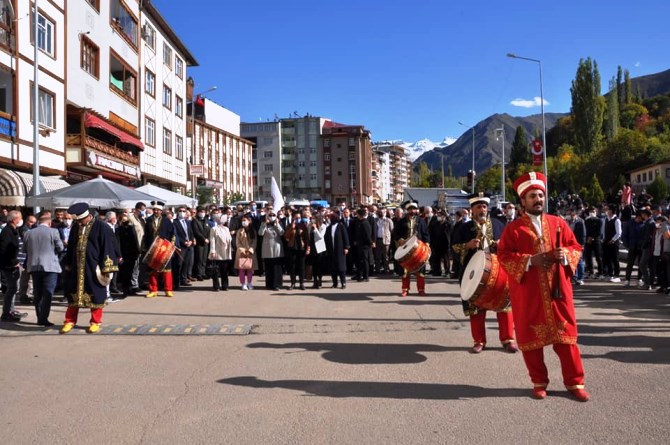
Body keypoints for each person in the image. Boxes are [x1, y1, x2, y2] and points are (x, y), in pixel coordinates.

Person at [497, 172, 589, 402]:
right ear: (522, 201)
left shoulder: (558, 223)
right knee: (532, 341)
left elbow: (576, 246)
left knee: (566, 339)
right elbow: (504, 256)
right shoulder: (513, 229)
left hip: (558, 292)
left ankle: (575, 382)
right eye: (532, 196)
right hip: (529, 293)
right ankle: (539, 382)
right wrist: (529, 260)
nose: (538, 199)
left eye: (540, 195)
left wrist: (565, 254)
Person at [451, 193, 517, 354]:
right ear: (472, 209)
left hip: (499, 271)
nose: (482, 209)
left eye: (484, 206)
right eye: (478, 207)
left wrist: (501, 245)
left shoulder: (498, 224)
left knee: (504, 306)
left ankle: (508, 339)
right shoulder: (463, 228)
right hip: (473, 272)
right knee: (476, 308)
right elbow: (453, 248)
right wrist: (467, 245)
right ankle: (479, 341)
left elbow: (511, 247)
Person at [60, 203, 119, 334]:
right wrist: (68, 264)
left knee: (96, 294)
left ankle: (95, 322)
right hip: (77, 267)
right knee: (72, 295)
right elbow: (71, 246)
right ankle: (69, 321)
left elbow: (108, 246)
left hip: (93, 267)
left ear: (88, 216)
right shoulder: (76, 227)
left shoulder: (101, 227)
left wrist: (107, 267)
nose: (79, 223)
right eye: (77, 221)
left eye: (81, 220)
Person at [23, 210, 63, 326]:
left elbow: (24, 250)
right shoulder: (53, 231)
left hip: (34, 266)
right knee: (48, 292)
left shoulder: (28, 233)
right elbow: (60, 248)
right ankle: (43, 318)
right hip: (50, 266)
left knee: (37, 292)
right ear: (50, 223)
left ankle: (39, 317)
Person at [391, 201, 430, 297]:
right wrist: (400, 240)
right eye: (410, 209)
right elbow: (396, 234)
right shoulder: (402, 221)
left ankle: (421, 289)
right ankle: (405, 289)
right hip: (406, 249)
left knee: (420, 271)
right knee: (405, 271)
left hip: (418, 248)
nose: (412, 210)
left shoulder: (421, 221)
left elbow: (426, 233)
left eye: (414, 209)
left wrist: (427, 244)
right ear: (407, 210)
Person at [0, 210, 28, 322]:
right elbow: (4, 249)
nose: (21, 220)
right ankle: (7, 313)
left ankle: (10, 311)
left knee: (13, 288)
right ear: (14, 219)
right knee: (12, 288)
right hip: (9, 266)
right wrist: (14, 262)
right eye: (20, 218)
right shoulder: (7, 231)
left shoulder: (13, 230)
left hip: (12, 265)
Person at [144, 201, 176, 298]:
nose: (156, 211)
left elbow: (172, 234)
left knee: (166, 270)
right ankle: (153, 290)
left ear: (161, 211)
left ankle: (168, 289)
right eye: (154, 210)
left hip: (164, 248)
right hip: (152, 248)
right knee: (152, 270)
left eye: (158, 210)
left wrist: (172, 244)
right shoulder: (148, 220)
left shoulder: (166, 221)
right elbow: (146, 235)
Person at [116, 213, 141, 298]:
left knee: (131, 272)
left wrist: (137, 251)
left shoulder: (131, 228)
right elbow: (117, 243)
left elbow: (135, 240)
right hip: (123, 253)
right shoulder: (118, 230)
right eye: (123, 220)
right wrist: (119, 255)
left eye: (126, 220)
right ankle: (125, 290)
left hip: (132, 253)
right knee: (124, 273)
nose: (125, 221)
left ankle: (130, 288)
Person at [258, 210, 285, 291]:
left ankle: (277, 284)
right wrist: (264, 224)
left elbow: (282, 233)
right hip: (267, 247)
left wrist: (277, 224)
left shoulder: (279, 223)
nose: (272, 216)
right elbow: (260, 233)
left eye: (273, 215)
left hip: (277, 247)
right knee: (269, 267)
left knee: (277, 267)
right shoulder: (264, 224)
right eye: (270, 215)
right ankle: (269, 284)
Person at [284, 211, 310, 289]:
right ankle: (293, 283)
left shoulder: (303, 226)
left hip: (301, 248)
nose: (298, 219)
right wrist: (292, 228)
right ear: (293, 218)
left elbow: (307, 238)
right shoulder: (290, 226)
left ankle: (301, 283)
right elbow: (286, 236)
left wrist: (308, 248)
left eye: (299, 218)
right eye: (296, 218)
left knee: (301, 266)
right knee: (293, 266)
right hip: (292, 248)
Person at [208, 212, 233, 291]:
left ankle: (225, 285)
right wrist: (212, 250)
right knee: (216, 270)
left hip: (225, 251)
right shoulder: (214, 229)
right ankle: (216, 286)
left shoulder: (226, 228)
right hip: (217, 251)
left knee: (224, 269)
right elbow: (212, 240)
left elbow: (229, 239)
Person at [325, 211, 350, 288]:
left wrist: (346, 247)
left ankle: (343, 282)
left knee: (341, 267)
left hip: (340, 250)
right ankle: (334, 283)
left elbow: (345, 237)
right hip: (331, 250)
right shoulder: (328, 228)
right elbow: (326, 239)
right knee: (333, 268)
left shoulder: (341, 226)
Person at [235, 214, 257, 290]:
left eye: (245, 220)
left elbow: (254, 242)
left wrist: (250, 250)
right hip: (241, 253)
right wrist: (242, 250)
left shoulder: (253, 231)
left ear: (249, 221)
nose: (243, 222)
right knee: (242, 269)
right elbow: (237, 242)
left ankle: (249, 283)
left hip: (250, 253)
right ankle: (243, 283)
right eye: (242, 220)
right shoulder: (239, 231)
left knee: (250, 269)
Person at [602, 204, 622, 282]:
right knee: (607, 258)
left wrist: (613, 240)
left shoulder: (617, 220)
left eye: (609, 210)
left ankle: (617, 275)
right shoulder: (606, 219)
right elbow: (604, 230)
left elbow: (619, 232)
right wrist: (604, 238)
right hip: (606, 241)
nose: (607, 211)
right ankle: (610, 274)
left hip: (614, 243)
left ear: (612, 211)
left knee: (615, 258)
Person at [307, 213, 328, 288]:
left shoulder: (323, 226)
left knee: (319, 265)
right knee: (314, 265)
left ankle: (319, 281)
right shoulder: (309, 225)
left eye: (314, 218)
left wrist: (315, 229)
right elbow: (308, 236)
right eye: (312, 218)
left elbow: (320, 236)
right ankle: (315, 280)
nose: (313, 220)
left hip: (320, 248)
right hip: (312, 248)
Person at [192, 206, 211, 281]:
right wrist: (203, 239)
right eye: (201, 212)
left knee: (204, 258)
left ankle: (203, 273)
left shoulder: (206, 220)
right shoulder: (195, 221)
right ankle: (199, 274)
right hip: (200, 242)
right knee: (199, 258)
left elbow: (209, 230)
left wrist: (209, 238)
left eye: (203, 212)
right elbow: (196, 232)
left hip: (206, 242)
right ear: (198, 212)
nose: (202, 213)